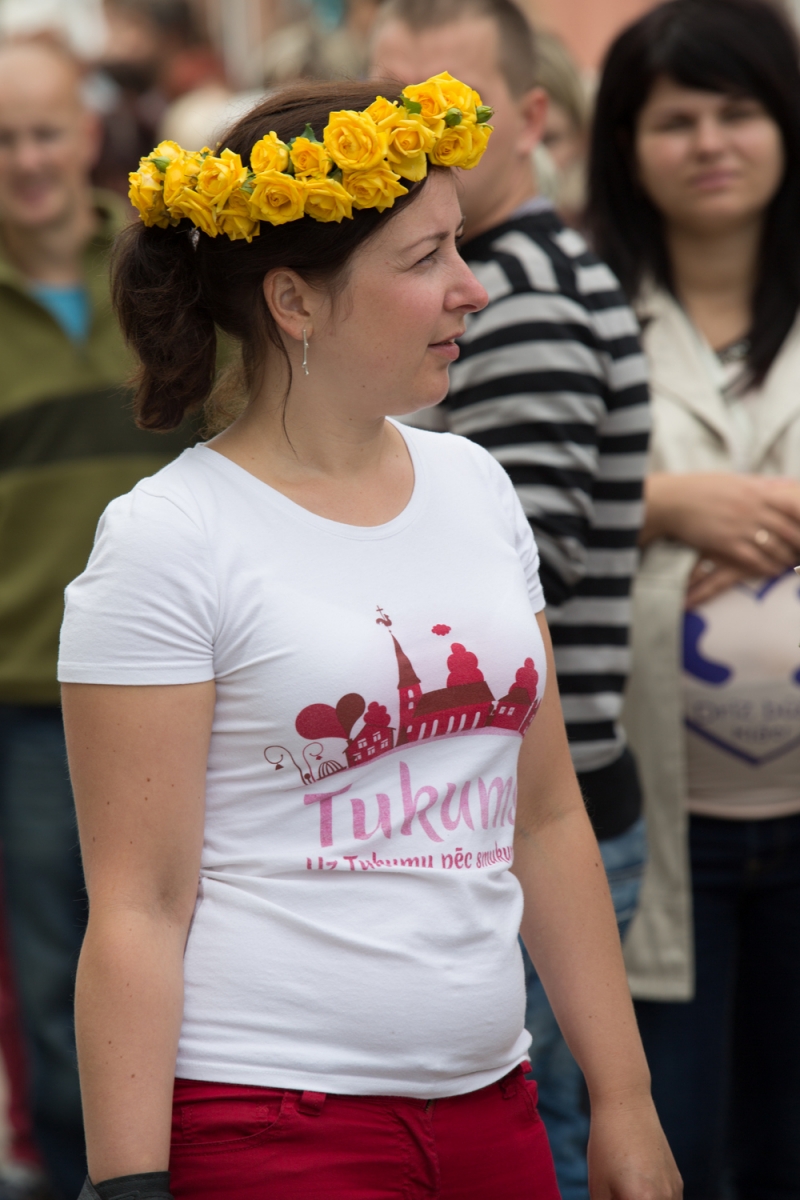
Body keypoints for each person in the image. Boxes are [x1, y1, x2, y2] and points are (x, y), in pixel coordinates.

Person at [58, 78, 679, 1200]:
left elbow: (541, 818)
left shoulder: (475, 487)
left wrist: (625, 1101)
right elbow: (138, 908)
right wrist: (127, 1185)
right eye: (423, 259)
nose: (470, 289)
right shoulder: (165, 539)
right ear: (293, 300)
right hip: (267, 1125)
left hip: (498, 1106)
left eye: (460, 246)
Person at [370, 4, 650, 1197]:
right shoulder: (525, 272)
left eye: (441, 107)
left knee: (554, 1133)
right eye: (385, 104)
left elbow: (509, 577)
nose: (403, 139)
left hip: (539, 801)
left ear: (532, 119)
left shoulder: (517, 290)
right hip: (542, 797)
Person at [586, 1, 800, 1195]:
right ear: (623, 141)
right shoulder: (579, 311)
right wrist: (662, 506)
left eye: (738, 111)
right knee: (680, 1147)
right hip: (657, 836)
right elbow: (504, 511)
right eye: (674, 119)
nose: (709, 141)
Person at [0, 37, 191, 1200]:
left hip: (182, 688)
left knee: (188, 958)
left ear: (86, 132)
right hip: (26, 703)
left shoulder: (161, 269)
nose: (25, 160)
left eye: (42, 131)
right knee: (53, 986)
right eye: (1, 137)